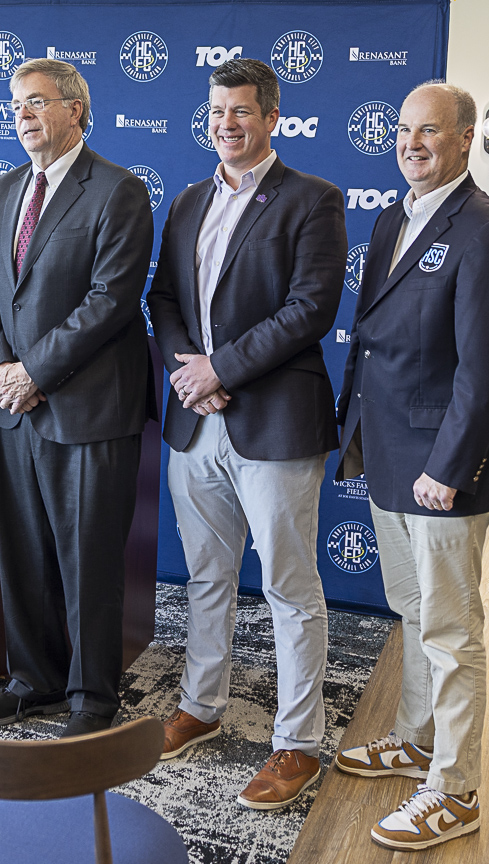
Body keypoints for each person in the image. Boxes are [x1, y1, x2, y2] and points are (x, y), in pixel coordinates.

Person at [334, 82, 489, 851]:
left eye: (429, 131)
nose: (411, 143)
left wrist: (450, 466)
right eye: (403, 130)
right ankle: (418, 740)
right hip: (390, 451)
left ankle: (455, 790)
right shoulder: (395, 218)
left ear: (463, 140)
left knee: (451, 628)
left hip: (443, 466)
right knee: (413, 608)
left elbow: (486, 370)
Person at [146, 57, 346, 809]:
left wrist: (220, 369)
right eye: (216, 111)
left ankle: (298, 743)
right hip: (194, 422)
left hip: (274, 423)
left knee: (290, 588)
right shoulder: (189, 199)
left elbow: (310, 308)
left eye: (240, 111)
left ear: (270, 117)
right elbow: (164, 299)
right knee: (206, 577)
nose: (226, 124)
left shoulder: (313, 198)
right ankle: (201, 705)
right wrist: (186, 371)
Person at [0, 58, 154, 738]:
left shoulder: (118, 190)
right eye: (16, 103)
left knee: (88, 562)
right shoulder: (3, 188)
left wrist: (33, 373)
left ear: (75, 109)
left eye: (37, 101)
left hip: (89, 410)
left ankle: (92, 698)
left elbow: (110, 300)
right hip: (15, 409)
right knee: (24, 554)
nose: (22, 114)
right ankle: (34, 680)